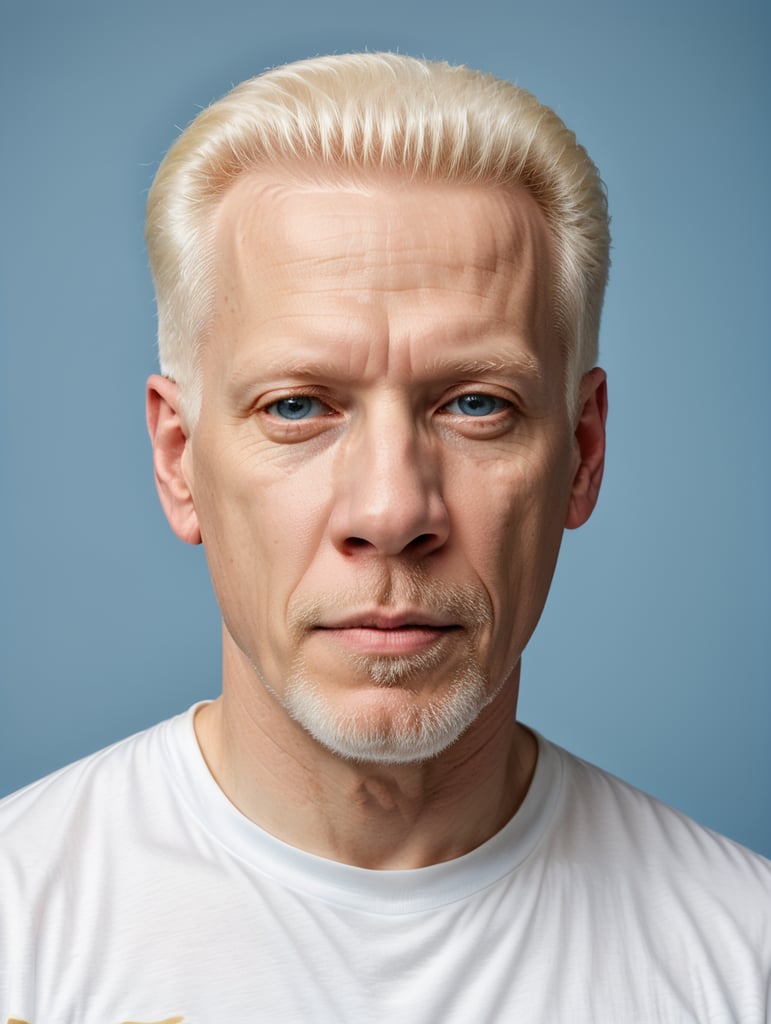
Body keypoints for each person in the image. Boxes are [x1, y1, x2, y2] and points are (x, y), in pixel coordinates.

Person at [1, 52, 768, 1023]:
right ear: (178, 459)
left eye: (477, 404)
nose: (391, 511)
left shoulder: (745, 964)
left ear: (581, 451)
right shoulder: (16, 936)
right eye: (297, 407)